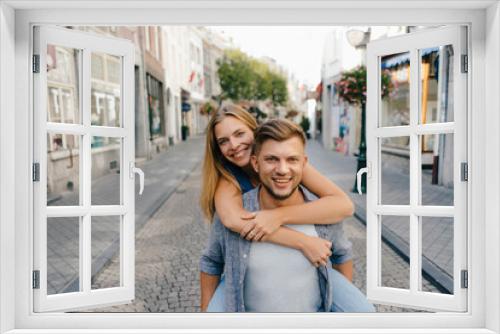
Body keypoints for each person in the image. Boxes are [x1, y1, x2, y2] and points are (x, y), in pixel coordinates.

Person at [199, 116, 375, 312]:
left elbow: (344, 207)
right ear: (256, 163)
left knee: (364, 313)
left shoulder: (289, 158)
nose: (234, 145)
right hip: (247, 294)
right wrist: (303, 241)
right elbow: (230, 223)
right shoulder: (227, 184)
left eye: (239, 134)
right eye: (223, 141)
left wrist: (277, 216)